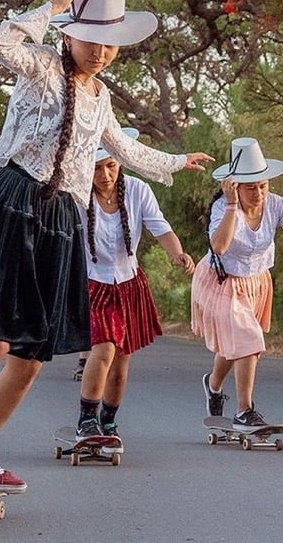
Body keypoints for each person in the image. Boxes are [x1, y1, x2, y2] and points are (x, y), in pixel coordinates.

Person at [0, 0, 213, 502]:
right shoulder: (41, 65)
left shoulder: (102, 97)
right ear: (69, 32)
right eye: (90, 39)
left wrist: (176, 160)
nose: (100, 51)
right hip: (12, 203)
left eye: (109, 43)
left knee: (31, 354)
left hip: (59, 222)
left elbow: (123, 148)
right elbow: (1, 42)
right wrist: (51, 4)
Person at [191, 136, 283, 429]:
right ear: (234, 185)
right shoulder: (224, 208)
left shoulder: (277, 205)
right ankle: (244, 411)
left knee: (234, 344)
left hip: (257, 282)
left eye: (262, 185)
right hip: (222, 282)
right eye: (250, 187)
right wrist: (234, 206)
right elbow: (219, 247)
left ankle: (213, 384)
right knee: (248, 340)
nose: (258, 192)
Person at [74, 127, 195, 442]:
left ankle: (109, 420)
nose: (104, 174)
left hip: (128, 283)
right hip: (93, 283)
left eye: (111, 165)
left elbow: (161, 229)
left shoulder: (138, 190)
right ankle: (86, 420)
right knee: (103, 349)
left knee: (122, 359)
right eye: (97, 167)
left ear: (120, 162)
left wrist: (178, 254)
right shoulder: (75, 194)